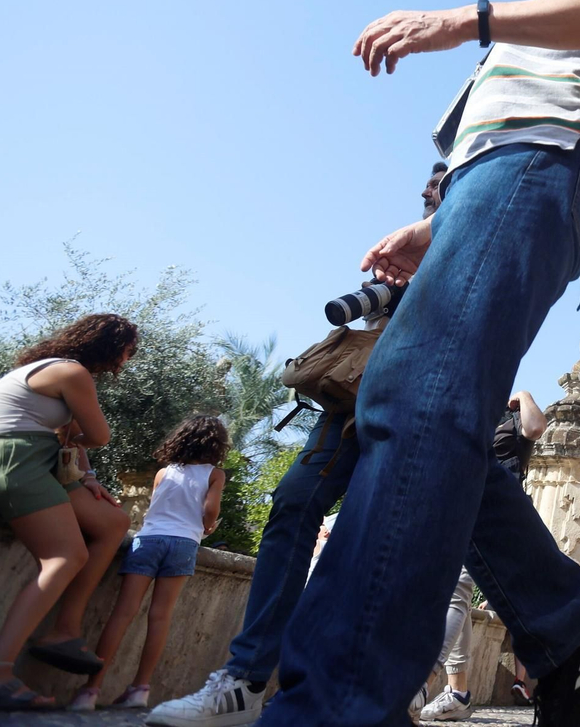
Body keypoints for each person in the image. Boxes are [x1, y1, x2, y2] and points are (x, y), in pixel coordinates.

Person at [251, 0, 580, 727]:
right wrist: (437, 225)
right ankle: (566, 626)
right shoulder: (546, 6)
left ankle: (334, 701)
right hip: (501, 182)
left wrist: (463, 20)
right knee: (436, 417)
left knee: (411, 400)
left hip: (536, 170)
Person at [148, 162, 447, 726]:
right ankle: (246, 679)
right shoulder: (406, 249)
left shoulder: (477, 235)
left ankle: (368, 691)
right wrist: (387, 291)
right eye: (429, 189)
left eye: (442, 187)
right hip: (352, 403)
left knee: (394, 537)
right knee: (294, 503)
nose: (431, 195)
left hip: (426, 406)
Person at [0, 313, 139, 712]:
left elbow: (66, 437)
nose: (125, 361)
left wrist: (87, 477)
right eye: (127, 352)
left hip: (27, 457)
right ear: (109, 344)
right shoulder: (72, 372)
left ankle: (65, 629)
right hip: (11, 459)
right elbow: (99, 435)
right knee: (65, 556)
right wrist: (78, 445)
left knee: (112, 522)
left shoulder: (48, 370)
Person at [71, 415, 229, 710]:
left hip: (149, 540)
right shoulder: (214, 475)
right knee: (159, 617)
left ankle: (89, 691)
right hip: (183, 543)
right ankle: (139, 689)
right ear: (216, 445)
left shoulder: (164, 472)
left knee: (122, 613)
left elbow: (155, 507)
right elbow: (210, 510)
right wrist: (208, 527)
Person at [417, 390, 548, 722]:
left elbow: (536, 429)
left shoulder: (515, 417)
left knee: (457, 587)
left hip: (493, 509)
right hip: (455, 506)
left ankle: (421, 681)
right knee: (452, 591)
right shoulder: (470, 415)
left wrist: (524, 395)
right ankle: (458, 691)